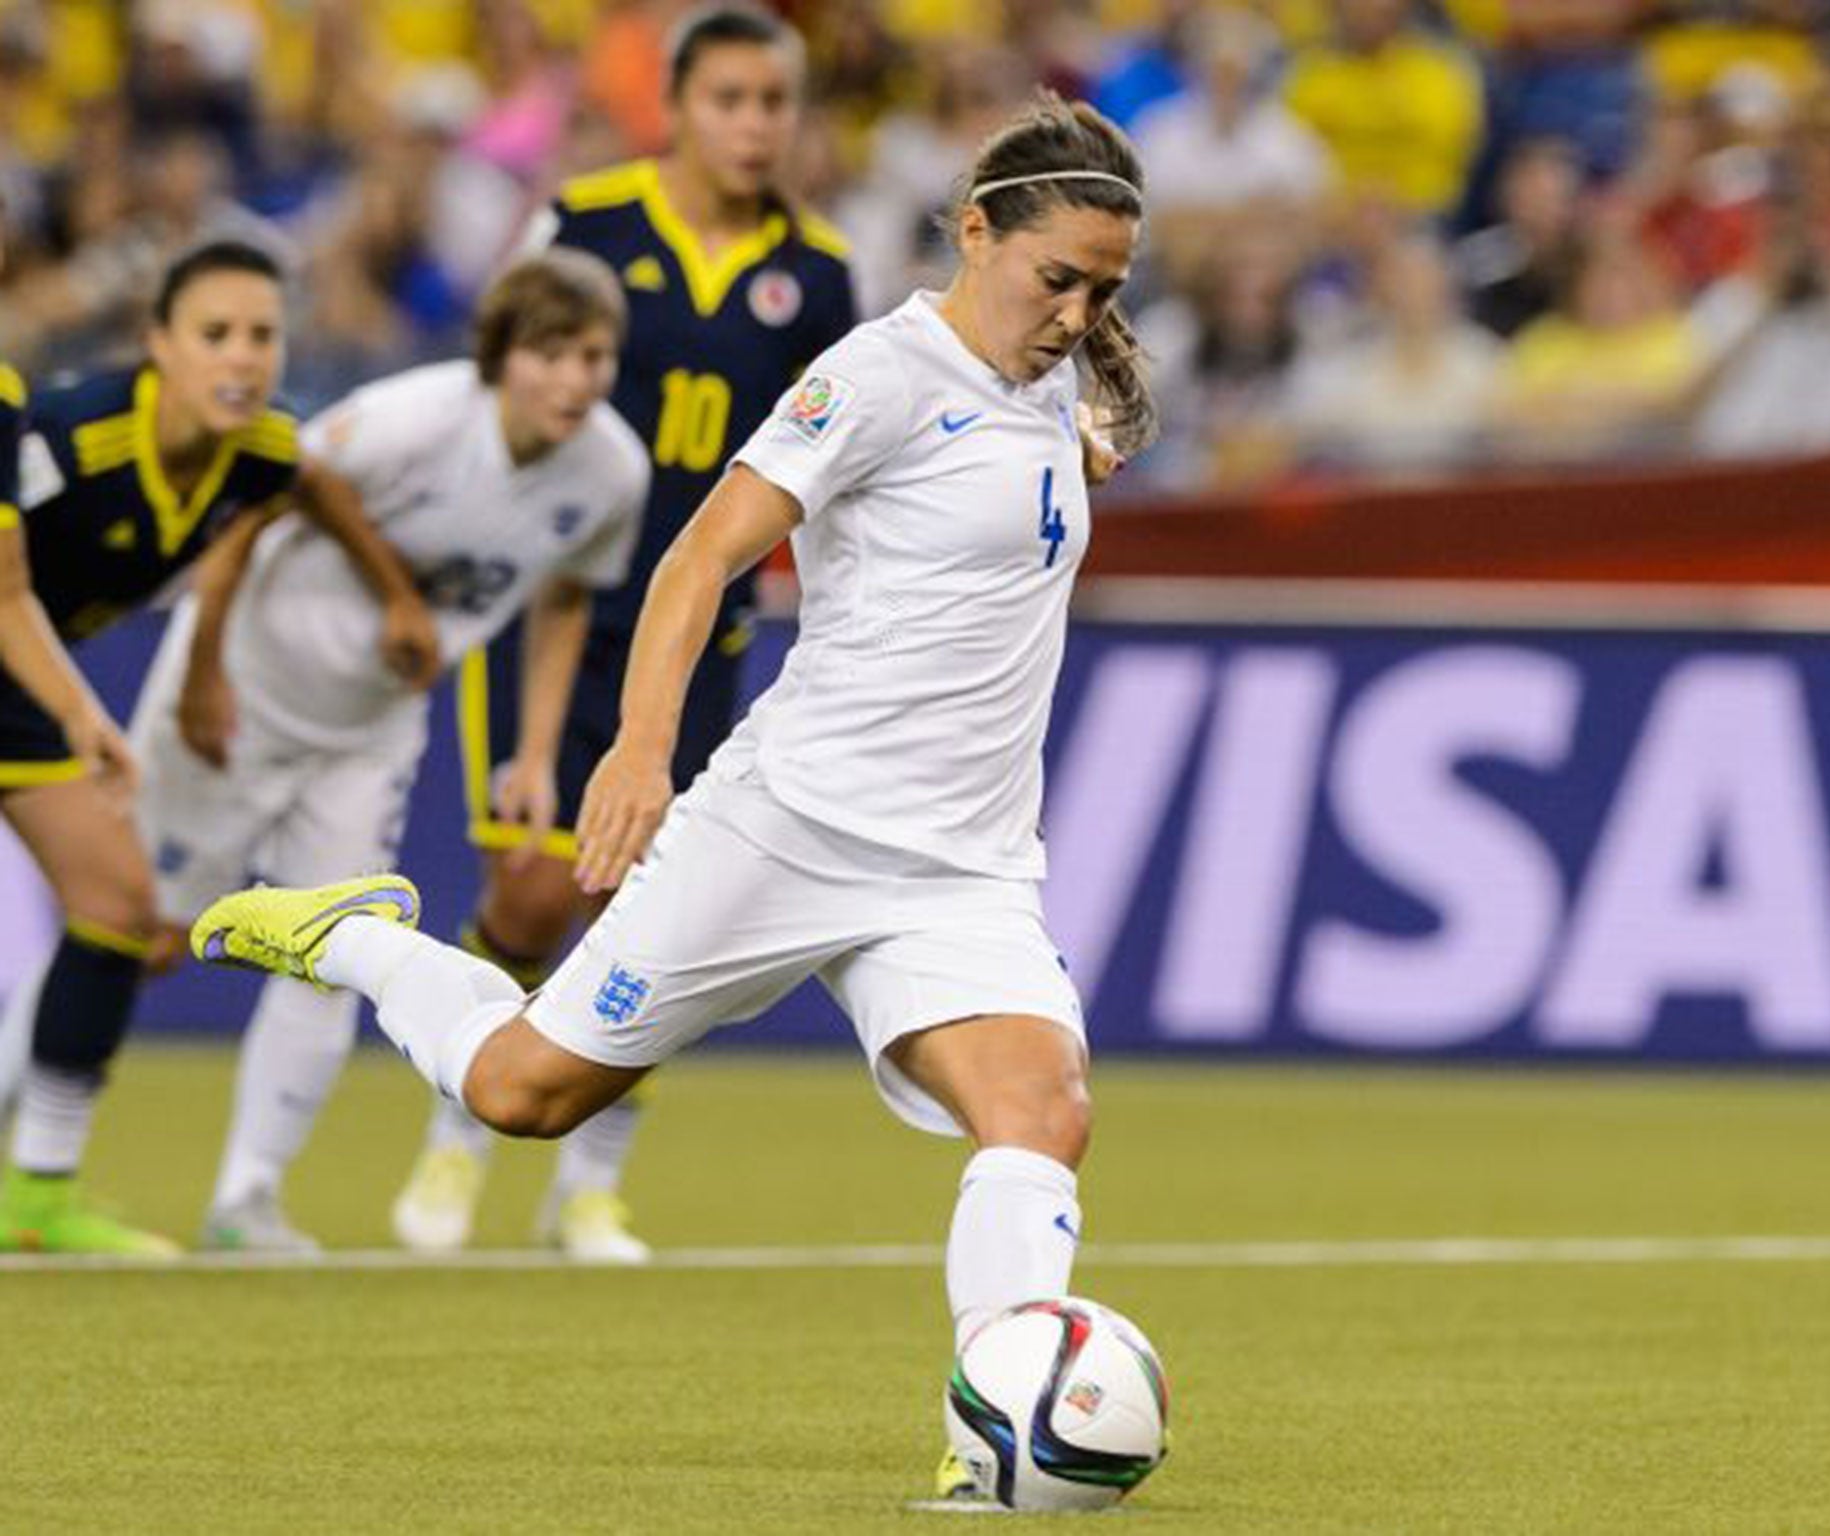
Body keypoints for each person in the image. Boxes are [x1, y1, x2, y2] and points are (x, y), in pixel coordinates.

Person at [192, 90, 1148, 1504]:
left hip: (963, 868)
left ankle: (991, 1430)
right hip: (786, 827)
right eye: (1055, 277)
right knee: (528, 1093)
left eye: (1104, 288)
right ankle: (350, 936)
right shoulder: (876, 376)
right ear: (973, 234)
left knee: (1043, 1111)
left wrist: (1100, 381)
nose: (1074, 311)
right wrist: (641, 751)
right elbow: (698, 557)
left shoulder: (1067, 383)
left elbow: (1102, 409)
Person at [388, 2, 856, 1264]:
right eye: (731, 100)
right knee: (532, 894)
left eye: (775, 103)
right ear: (681, 105)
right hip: (558, 603)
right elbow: (499, 379)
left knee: (657, 912)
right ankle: (458, 1138)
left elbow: (835, 454)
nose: (755, 126)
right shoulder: (586, 223)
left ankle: (591, 1182)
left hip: (697, 629)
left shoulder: (815, 275)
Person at [127, 250, 648, 1254]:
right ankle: (31, 1163)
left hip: (370, 726)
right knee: (132, 936)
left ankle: (247, 1199)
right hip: (245, 691)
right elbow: (266, 488)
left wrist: (536, 751)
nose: (578, 380)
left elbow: (565, 600)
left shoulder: (611, 470)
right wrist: (201, 665)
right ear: (501, 355)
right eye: (554, 354)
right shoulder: (415, 417)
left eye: (596, 357)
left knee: (330, 950)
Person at [0, 238, 435, 1256]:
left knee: (115, 910)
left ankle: (37, 1195)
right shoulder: (67, 441)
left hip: (22, 680)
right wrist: (82, 714)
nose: (242, 359)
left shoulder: (259, 451)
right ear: (157, 346)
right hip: (24, 667)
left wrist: (395, 591)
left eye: (262, 336)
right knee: (117, 907)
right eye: (214, 337)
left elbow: (310, 484)